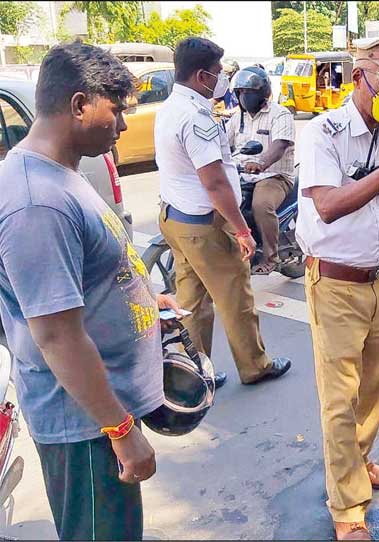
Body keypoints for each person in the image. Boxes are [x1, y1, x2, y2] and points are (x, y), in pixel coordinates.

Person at [0, 42, 178, 540]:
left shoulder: (61, 177)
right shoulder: (38, 202)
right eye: (116, 110)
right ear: (79, 105)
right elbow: (55, 336)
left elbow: (84, 279)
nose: (123, 125)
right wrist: (120, 432)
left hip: (100, 418)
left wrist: (145, 299)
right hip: (86, 428)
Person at [296, 36, 379, 541]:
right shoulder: (323, 133)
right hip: (335, 282)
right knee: (340, 397)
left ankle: (360, 461)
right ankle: (348, 506)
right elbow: (329, 205)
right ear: (359, 78)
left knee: (375, 386)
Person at [155, 37, 292, 386]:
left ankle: (195, 373)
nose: (223, 79)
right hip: (204, 226)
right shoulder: (197, 117)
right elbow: (214, 182)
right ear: (202, 76)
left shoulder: (170, 107)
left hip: (175, 218)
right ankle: (255, 366)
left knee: (191, 301)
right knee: (236, 298)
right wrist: (242, 230)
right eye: (218, 72)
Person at [227, 65, 295, 274]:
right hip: (243, 176)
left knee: (261, 205)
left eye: (249, 92)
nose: (244, 96)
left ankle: (270, 256)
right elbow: (223, 145)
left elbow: (280, 145)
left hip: (274, 176)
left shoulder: (279, 114)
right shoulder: (237, 118)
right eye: (240, 92)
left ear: (262, 92)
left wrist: (262, 163)